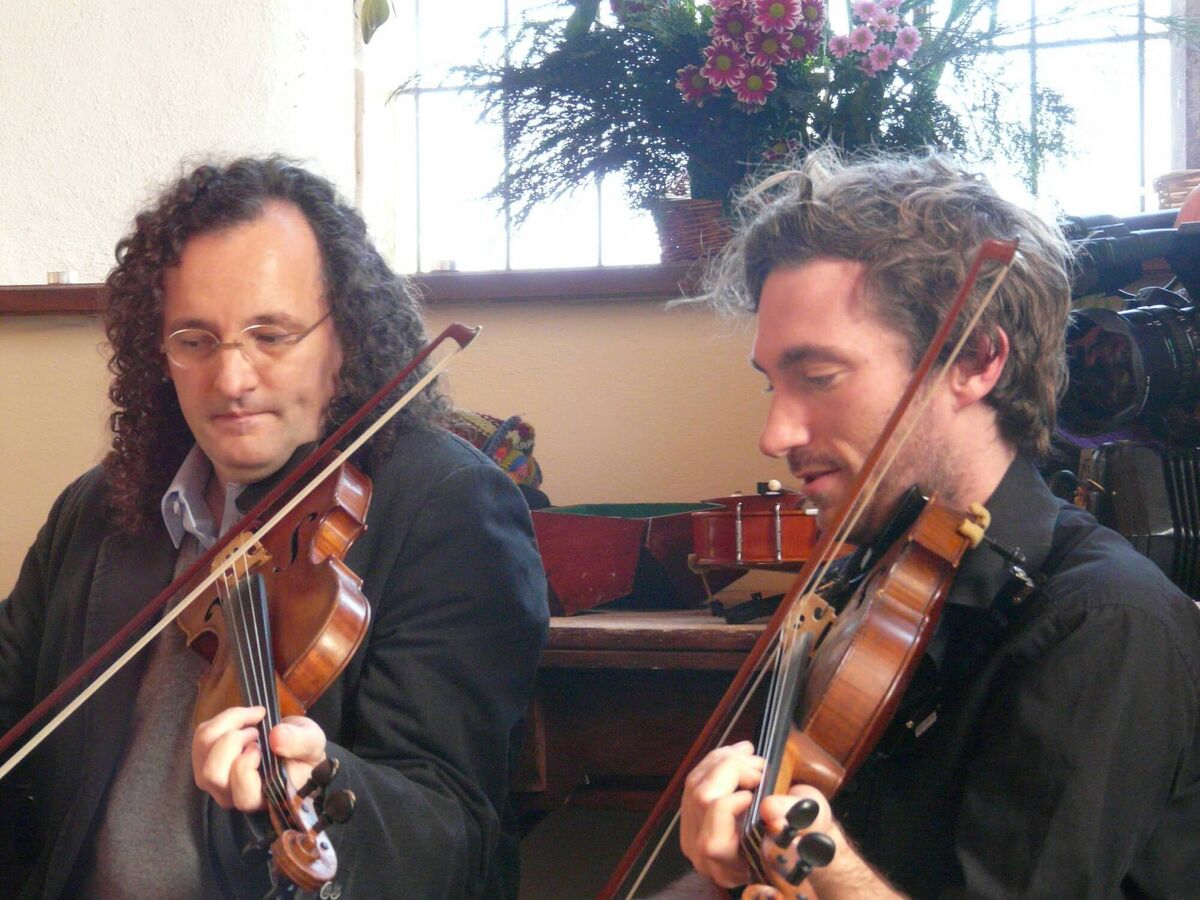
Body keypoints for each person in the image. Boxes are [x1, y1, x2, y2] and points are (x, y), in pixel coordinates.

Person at [0, 157, 549, 898]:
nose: (231, 379)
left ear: (344, 337)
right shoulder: (98, 511)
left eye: (271, 334)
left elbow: (452, 831)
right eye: (195, 340)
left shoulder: (448, 508)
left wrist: (318, 781)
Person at [678, 150, 1200, 897]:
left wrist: (825, 872)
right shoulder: (865, 575)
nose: (776, 433)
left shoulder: (1105, 624)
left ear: (977, 359)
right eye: (772, 384)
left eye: (818, 378)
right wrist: (733, 854)